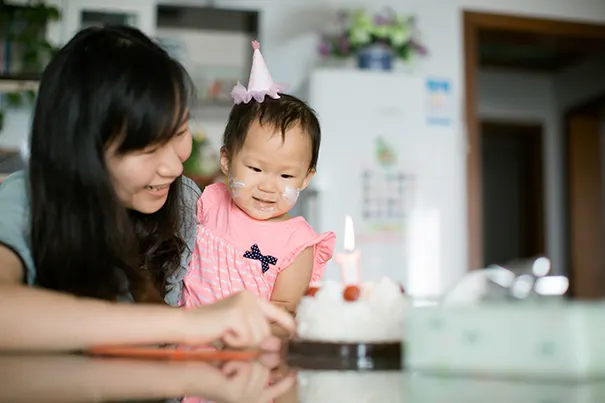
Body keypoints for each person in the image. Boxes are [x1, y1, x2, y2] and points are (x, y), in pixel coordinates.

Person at [0, 26, 294, 352]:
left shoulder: (183, 199)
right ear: (83, 150)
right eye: (147, 149)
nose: (174, 167)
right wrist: (191, 325)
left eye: (180, 132)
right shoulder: (25, 200)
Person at [181, 41, 335, 324]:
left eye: (286, 175)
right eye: (255, 168)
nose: (268, 187)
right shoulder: (210, 202)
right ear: (226, 160)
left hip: (245, 353)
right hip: (184, 341)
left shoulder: (297, 243)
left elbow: (284, 313)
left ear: (305, 178)